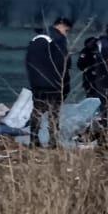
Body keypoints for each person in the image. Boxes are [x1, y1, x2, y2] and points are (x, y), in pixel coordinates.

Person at [24, 17, 72, 147]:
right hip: (53, 82)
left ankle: (33, 140)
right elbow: (64, 63)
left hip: (36, 81)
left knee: (37, 110)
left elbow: (29, 61)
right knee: (54, 112)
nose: (66, 33)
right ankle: (53, 141)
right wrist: (65, 84)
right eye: (66, 30)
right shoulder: (57, 40)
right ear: (61, 25)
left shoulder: (37, 39)